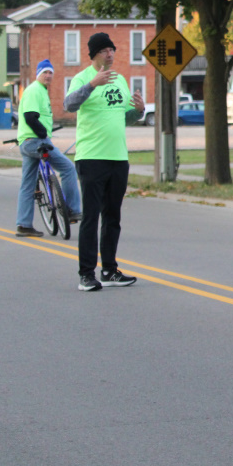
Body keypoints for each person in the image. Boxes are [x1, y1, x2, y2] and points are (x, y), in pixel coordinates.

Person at [64, 32, 144, 292]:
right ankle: (86, 274)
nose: (110, 54)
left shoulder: (120, 79)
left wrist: (139, 111)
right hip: (92, 157)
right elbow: (69, 105)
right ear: (94, 54)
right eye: (105, 50)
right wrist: (92, 85)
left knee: (113, 217)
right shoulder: (82, 78)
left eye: (112, 50)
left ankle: (109, 270)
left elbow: (124, 118)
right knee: (91, 217)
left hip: (118, 157)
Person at [15, 59, 81, 237]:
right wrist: (43, 133)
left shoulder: (40, 91)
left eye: (51, 73)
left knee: (27, 184)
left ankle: (24, 225)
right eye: (45, 72)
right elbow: (30, 117)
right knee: (68, 169)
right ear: (38, 74)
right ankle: (73, 210)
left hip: (27, 142)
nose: (48, 76)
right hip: (36, 142)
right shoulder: (35, 90)